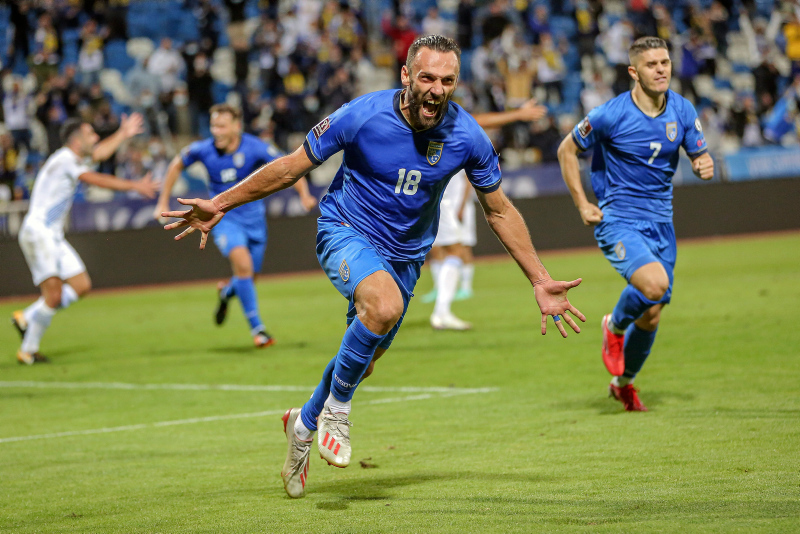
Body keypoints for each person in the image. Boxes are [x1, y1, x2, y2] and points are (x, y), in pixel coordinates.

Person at [162, 35, 585, 499]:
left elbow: (499, 210)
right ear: (406, 76)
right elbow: (290, 168)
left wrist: (541, 279)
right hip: (345, 231)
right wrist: (221, 202)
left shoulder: (467, 136)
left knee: (361, 361)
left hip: (405, 258)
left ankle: (302, 424)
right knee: (382, 308)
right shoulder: (360, 115)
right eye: (427, 77)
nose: (437, 89)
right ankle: (336, 414)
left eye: (447, 80)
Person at [557, 36, 714, 412]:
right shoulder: (610, 114)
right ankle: (612, 326)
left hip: (662, 222)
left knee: (653, 311)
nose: (661, 70)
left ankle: (622, 383)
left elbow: (699, 151)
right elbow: (567, 149)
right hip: (618, 219)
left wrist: (702, 163)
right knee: (654, 285)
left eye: (665, 62)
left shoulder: (682, 109)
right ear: (633, 71)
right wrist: (582, 203)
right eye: (651, 64)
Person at [153, 104, 318, 347]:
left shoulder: (255, 147)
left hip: (255, 222)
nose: (216, 131)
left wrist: (303, 194)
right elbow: (176, 164)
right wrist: (161, 201)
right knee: (242, 264)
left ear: (236, 126)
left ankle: (226, 292)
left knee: (248, 278)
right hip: (223, 219)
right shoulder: (202, 149)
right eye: (213, 125)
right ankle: (258, 330)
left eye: (221, 125)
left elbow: (288, 165)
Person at [12, 115, 158, 365]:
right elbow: (93, 177)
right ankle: (28, 350)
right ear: (78, 141)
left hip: (53, 235)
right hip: (39, 233)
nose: (95, 138)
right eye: (91, 134)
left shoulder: (71, 158)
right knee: (54, 295)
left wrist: (123, 134)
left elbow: (99, 153)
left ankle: (28, 316)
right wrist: (133, 186)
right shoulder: (65, 160)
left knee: (81, 285)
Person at [424, 99, 549, 330]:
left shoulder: (429, 128)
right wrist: (516, 115)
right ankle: (441, 312)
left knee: (446, 250)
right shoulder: (449, 127)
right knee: (456, 250)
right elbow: (478, 121)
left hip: (435, 201)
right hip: (441, 203)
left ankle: (440, 308)